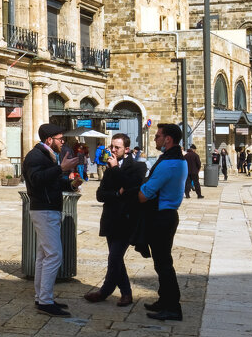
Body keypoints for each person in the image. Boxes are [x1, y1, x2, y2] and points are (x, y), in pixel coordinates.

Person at [23, 123, 80, 317]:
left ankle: (42, 298)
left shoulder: (46, 155)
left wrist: (71, 183)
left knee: (44, 256)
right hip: (44, 210)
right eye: (60, 139)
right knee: (54, 255)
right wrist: (61, 168)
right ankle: (45, 302)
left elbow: (51, 182)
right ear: (49, 140)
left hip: (48, 208)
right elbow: (37, 180)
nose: (63, 142)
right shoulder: (35, 156)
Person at [86, 132, 145, 306]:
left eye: (117, 147)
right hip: (110, 219)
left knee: (114, 257)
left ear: (126, 149)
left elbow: (131, 187)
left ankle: (113, 292)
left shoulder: (137, 167)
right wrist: (116, 193)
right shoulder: (110, 167)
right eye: (111, 146)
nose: (112, 150)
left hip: (127, 220)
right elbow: (100, 195)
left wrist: (116, 171)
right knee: (115, 258)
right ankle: (112, 290)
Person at [137, 123, 187, 321]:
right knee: (161, 262)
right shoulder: (177, 160)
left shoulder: (168, 163)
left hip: (161, 217)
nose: (155, 139)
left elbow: (144, 195)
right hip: (166, 215)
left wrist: (140, 189)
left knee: (164, 264)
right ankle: (164, 300)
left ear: (168, 139)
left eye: (158, 136)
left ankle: (173, 307)